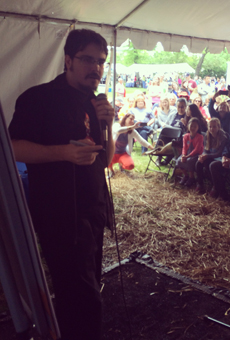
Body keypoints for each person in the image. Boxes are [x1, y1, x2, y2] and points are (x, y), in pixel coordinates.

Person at [9, 29, 115, 340]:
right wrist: (64, 153)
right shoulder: (37, 98)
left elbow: (105, 160)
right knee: (82, 301)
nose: (95, 67)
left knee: (88, 289)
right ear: (68, 60)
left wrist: (108, 126)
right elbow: (11, 147)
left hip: (93, 210)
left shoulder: (95, 102)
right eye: (87, 59)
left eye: (100, 61)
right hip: (60, 215)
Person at [109, 113, 153, 177]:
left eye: (133, 120)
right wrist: (133, 127)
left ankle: (121, 165)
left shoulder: (132, 131)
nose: (132, 121)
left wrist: (152, 148)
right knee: (105, 161)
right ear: (125, 119)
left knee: (130, 165)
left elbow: (141, 140)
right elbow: (118, 131)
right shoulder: (117, 125)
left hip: (122, 153)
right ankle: (111, 171)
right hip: (112, 152)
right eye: (130, 119)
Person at [195, 118, 227, 194]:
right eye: (210, 127)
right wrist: (203, 155)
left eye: (214, 126)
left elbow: (220, 153)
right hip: (210, 156)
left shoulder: (223, 137)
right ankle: (200, 183)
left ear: (219, 127)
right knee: (198, 163)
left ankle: (215, 185)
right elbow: (206, 149)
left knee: (209, 164)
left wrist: (207, 156)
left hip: (219, 158)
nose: (212, 129)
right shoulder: (207, 135)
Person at [176, 118, 204, 187]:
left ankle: (192, 177)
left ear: (198, 127)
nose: (193, 128)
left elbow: (197, 149)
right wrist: (183, 155)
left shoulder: (200, 137)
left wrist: (187, 156)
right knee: (179, 160)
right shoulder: (186, 136)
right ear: (188, 126)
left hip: (196, 154)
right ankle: (186, 175)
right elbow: (184, 147)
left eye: (195, 126)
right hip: (187, 153)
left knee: (189, 161)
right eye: (191, 126)